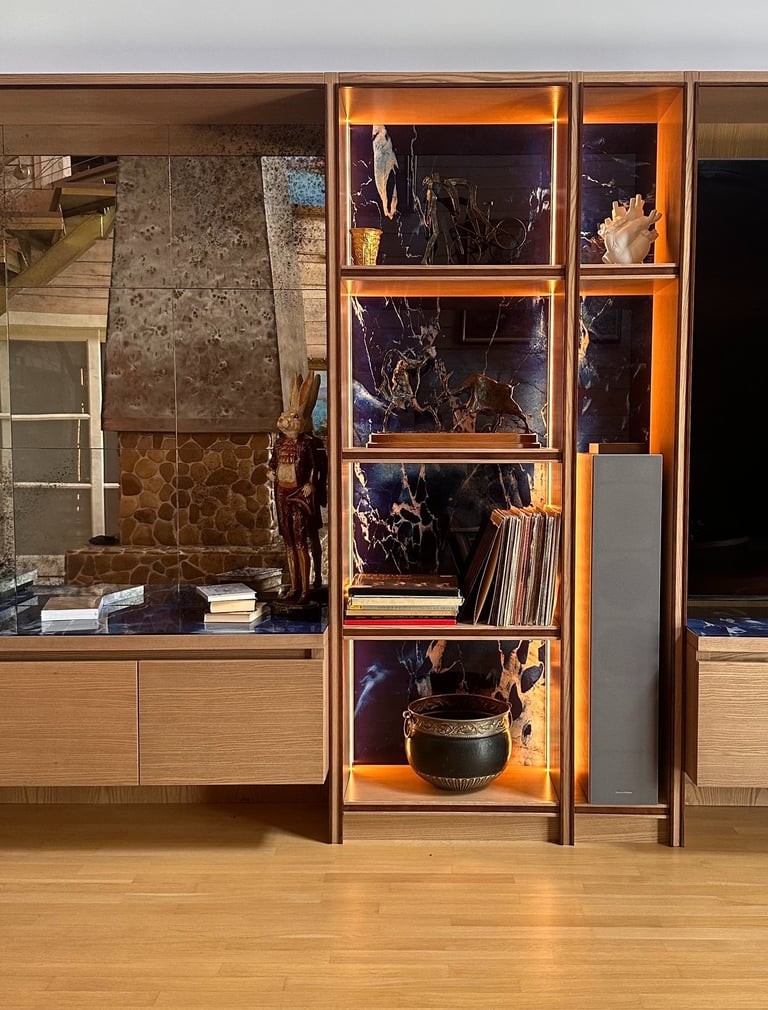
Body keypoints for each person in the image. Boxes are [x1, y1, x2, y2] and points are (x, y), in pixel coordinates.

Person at [267, 374, 327, 605]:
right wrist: (270, 472)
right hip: (282, 493)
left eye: (293, 417)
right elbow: (273, 463)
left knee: (302, 540)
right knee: (289, 541)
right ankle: (294, 585)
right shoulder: (279, 443)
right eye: (285, 416)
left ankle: (306, 588)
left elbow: (315, 467)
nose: (285, 420)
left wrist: (311, 483)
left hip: (300, 496)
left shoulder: (307, 444)